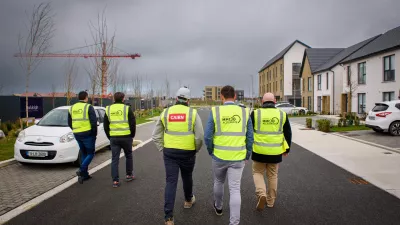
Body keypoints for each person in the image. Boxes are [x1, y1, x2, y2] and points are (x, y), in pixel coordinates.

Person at [152, 87, 204, 225]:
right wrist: (196, 149)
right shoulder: (193, 113)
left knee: (171, 182)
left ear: (176, 99)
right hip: (188, 152)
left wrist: (162, 148)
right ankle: (188, 200)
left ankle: (168, 217)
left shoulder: (166, 112)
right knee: (187, 177)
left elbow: (155, 135)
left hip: (170, 153)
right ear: (188, 100)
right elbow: (199, 137)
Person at [204, 85, 254, 225]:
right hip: (238, 158)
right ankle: (234, 222)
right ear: (235, 96)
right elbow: (250, 137)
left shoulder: (215, 111)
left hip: (219, 156)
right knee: (235, 189)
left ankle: (218, 207)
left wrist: (211, 151)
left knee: (218, 182)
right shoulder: (245, 112)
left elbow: (208, 136)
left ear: (221, 97)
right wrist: (247, 155)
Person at [250, 92, 292, 211]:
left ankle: (261, 193)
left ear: (262, 102)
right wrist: (287, 149)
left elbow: (248, 132)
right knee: (272, 175)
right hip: (275, 152)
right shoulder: (282, 114)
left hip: (258, 151)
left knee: (257, 173)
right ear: (275, 102)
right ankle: (270, 201)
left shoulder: (255, 113)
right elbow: (288, 133)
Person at [104, 92, 136, 188]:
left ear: (114, 99)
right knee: (128, 156)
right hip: (126, 137)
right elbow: (132, 124)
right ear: (123, 99)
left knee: (115, 159)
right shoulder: (127, 108)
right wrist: (132, 135)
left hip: (114, 138)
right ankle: (129, 175)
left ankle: (115, 181)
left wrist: (109, 137)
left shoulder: (108, 109)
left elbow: (106, 125)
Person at [68, 91, 97, 184]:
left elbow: (69, 122)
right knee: (91, 153)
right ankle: (81, 170)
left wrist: (75, 129)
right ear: (86, 97)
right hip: (87, 134)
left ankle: (85, 175)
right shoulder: (88, 107)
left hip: (77, 133)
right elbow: (93, 122)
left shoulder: (72, 108)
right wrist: (94, 134)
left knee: (84, 152)